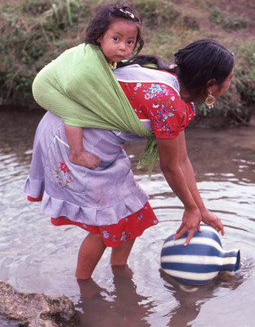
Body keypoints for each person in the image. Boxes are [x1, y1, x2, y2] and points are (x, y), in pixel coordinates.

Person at [25, 38, 234, 280]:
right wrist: (189, 208)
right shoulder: (168, 102)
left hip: (92, 138)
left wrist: (201, 209)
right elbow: (169, 166)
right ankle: (85, 289)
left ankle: (120, 277)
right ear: (211, 84)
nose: (230, 82)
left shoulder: (171, 85)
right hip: (72, 138)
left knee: (132, 213)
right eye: (229, 78)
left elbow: (182, 160)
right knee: (106, 223)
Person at [32, 3, 144, 169]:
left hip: (61, 81)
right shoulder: (89, 63)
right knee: (75, 113)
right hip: (47, 88)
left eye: (129, 42)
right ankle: (77, 153)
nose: (122, 47)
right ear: (99, 37)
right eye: (116, 39)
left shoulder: (105, 56)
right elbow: (74, 85)